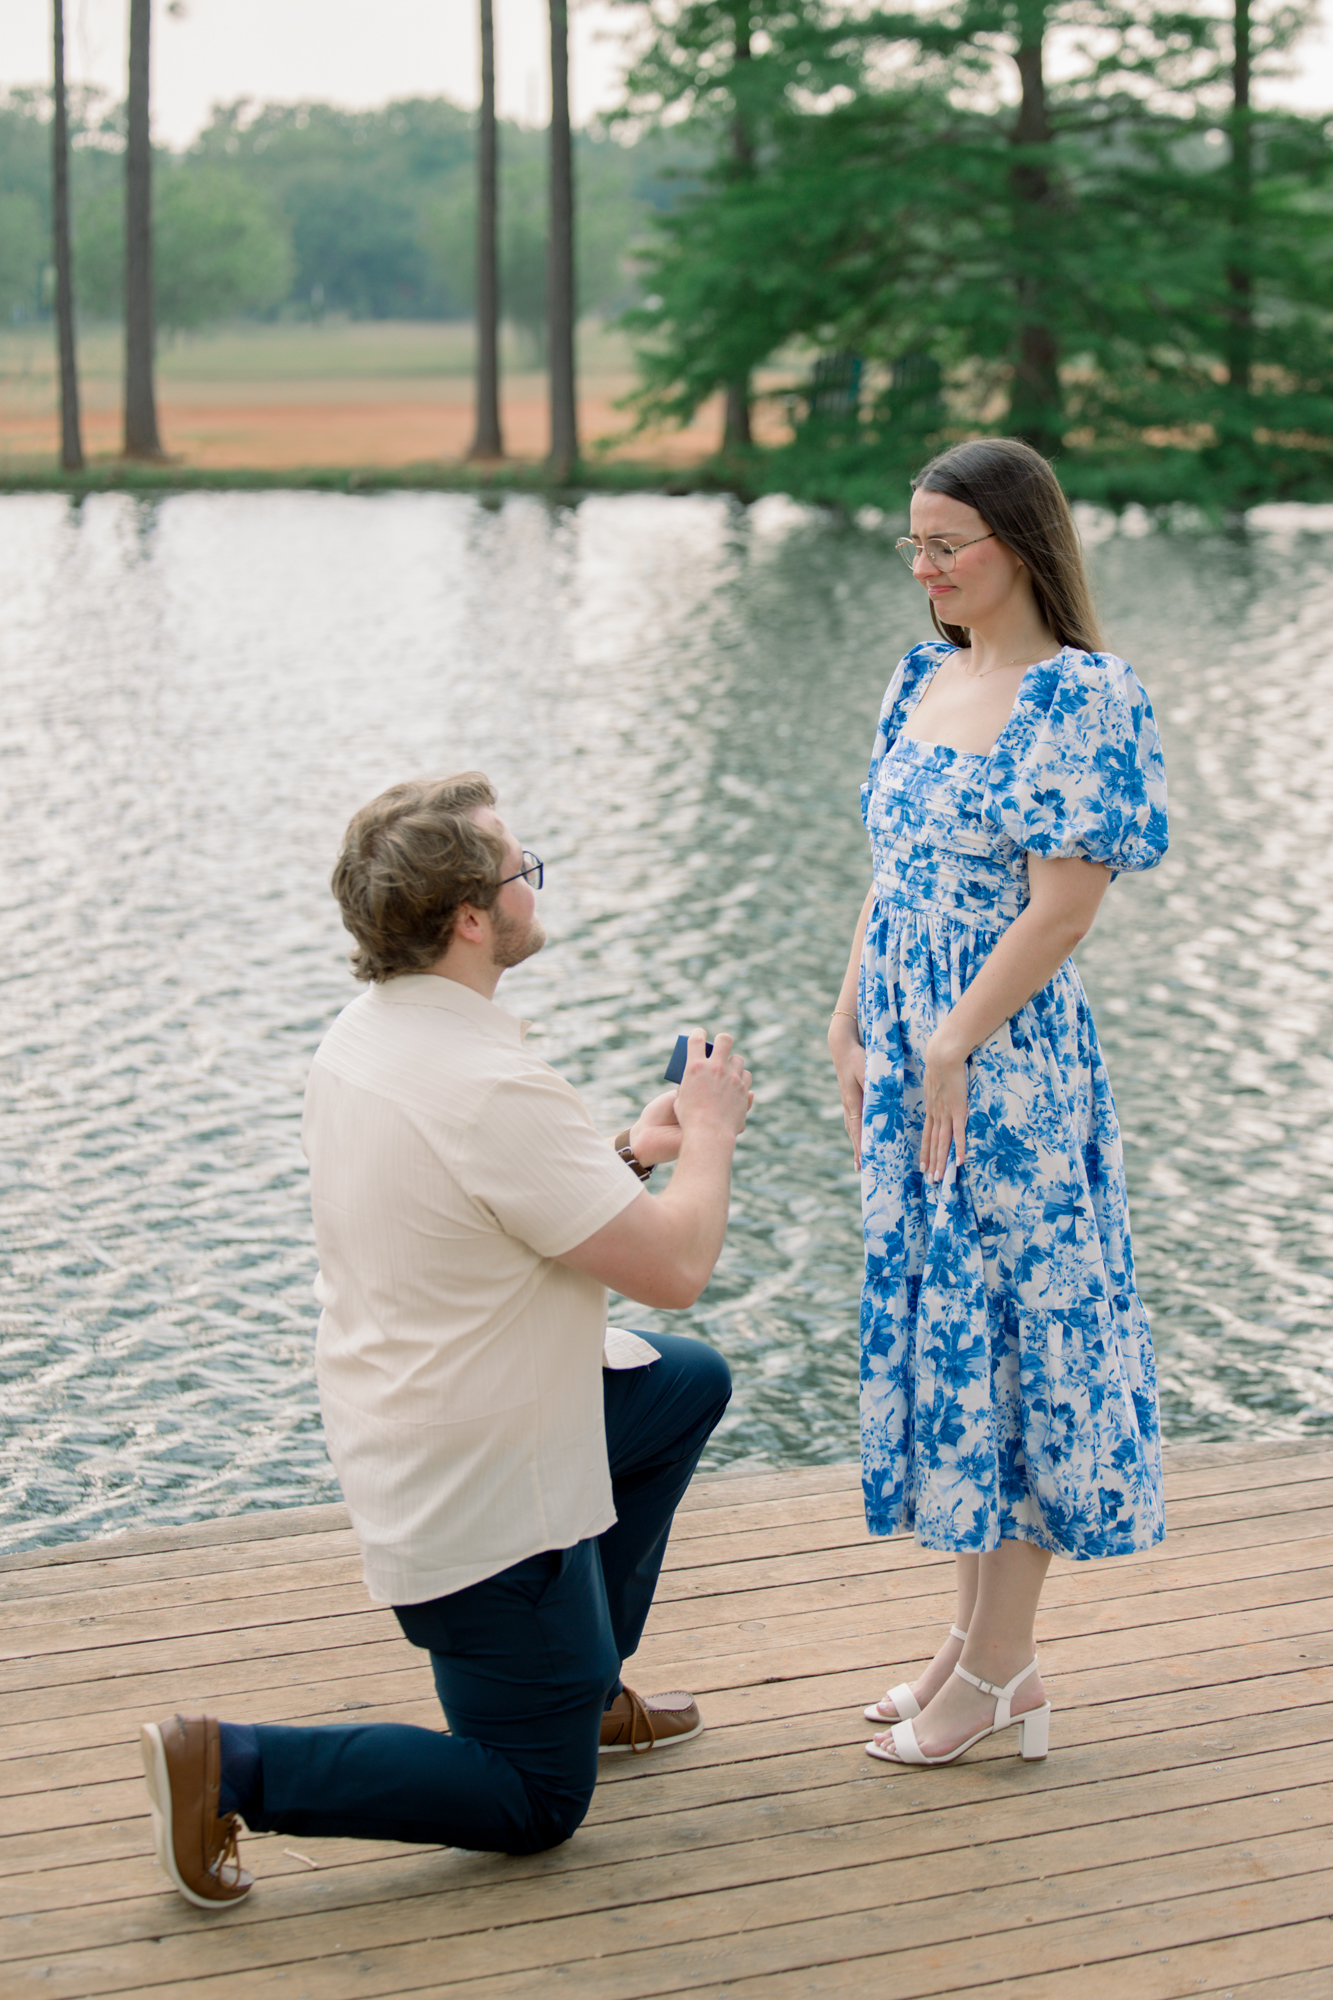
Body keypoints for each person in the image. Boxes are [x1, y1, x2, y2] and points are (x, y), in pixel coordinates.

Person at [140, 772, 751, 1909]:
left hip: (422, 1410)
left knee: (682, 1387)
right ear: (472, 917)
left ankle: (586, 1680)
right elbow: (673, 1268)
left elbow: (483, 1197)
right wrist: (708, 1134)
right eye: (522, 869)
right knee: (532, 1798)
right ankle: (231, 1763)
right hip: (482, 1488)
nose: (533, 883)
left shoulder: (368, 1037)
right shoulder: (483, 1083)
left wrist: (623, 1149)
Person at [827, 438, 1169, 1770]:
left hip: (1006, 1070)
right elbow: (893, 869)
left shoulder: (1080, 698)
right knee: (952, 1341)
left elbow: (1063, 907)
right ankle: (967, 1648)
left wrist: (955, 1040)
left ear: (1017, 544)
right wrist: (852, 1013)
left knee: (1019, 1345)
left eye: (942, 545)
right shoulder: (923, 674)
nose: (921, 567)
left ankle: (1005, 1668)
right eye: (910, 542)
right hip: (917, 1055)